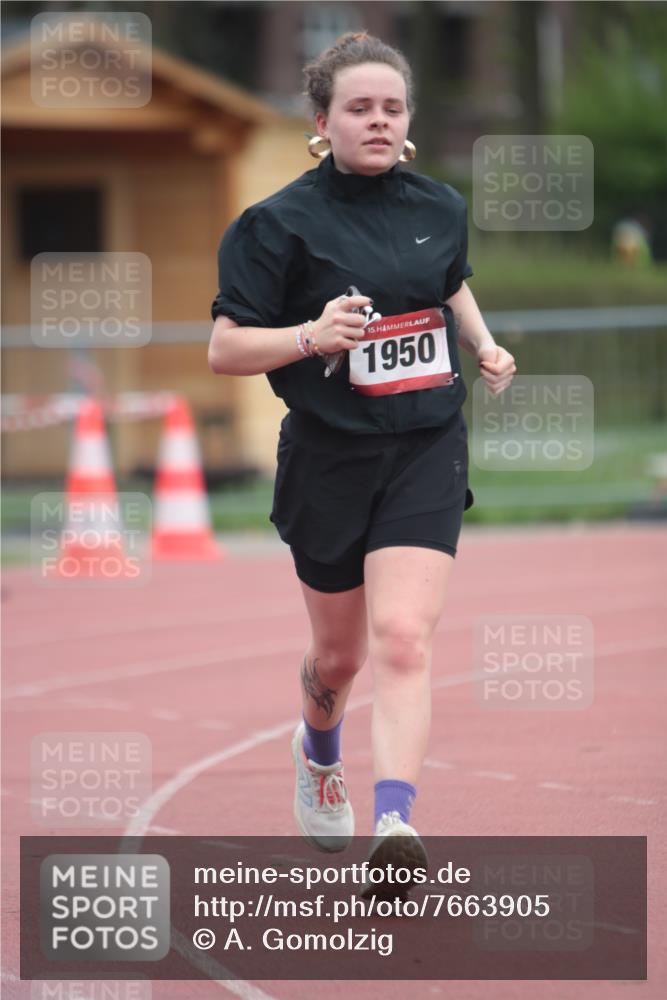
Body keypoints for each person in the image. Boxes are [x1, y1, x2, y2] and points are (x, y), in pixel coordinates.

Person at [208, 32, 516, 890]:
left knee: (405, 638)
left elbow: (445, 282)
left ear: (408, 122)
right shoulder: (275, 224)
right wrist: (310, 337)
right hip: (329, 456)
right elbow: (224, 350)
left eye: (391, 108)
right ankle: (317, 751)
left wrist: (484, 346)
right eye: (359, 108)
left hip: (425, 444)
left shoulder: (438, 207)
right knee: (338, 659)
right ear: (322, 122)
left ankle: (394, 821)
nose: (377, 121)